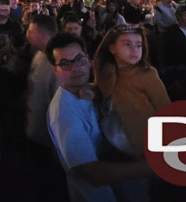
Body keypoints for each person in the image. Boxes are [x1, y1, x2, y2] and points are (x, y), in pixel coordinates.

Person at [46, 32, 151, 202]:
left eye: (79, 59)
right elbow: (94, 174)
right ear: (55, 70)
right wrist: (150, 166)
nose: (75, 68)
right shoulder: (64, 113)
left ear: (87, 59)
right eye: (65, 64)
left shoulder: (85, 92)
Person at [93, 24, 170, 157]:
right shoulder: (106, 72)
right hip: (113, 138)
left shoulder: (147, 74)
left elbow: (164, 105)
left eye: (138, 45)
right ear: (112, 48)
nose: (134, 49)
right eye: (127, 44)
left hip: (145, 139)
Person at [25, 14, 58, 147]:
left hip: (47, 137)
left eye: (31, 31)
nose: (27, 34)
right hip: (34, 128)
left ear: (43, 34)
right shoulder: (39, 54)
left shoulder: (56, 63)